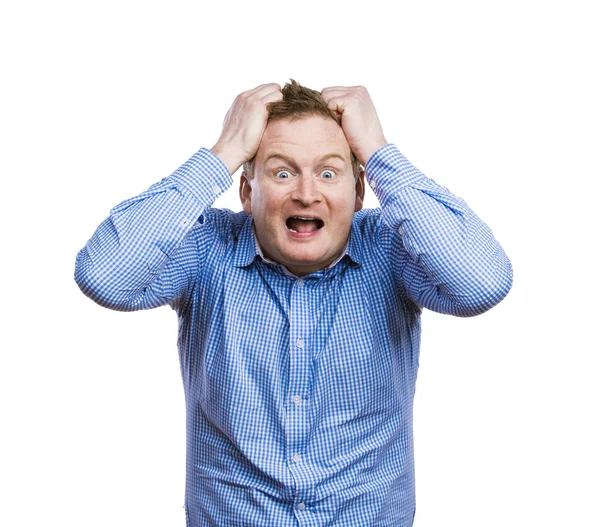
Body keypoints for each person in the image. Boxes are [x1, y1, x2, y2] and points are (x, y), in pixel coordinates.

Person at [74, 79, 513, 526]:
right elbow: (105, 276)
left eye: (328, 172)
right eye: (282, 173)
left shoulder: (391, 245)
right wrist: (221, 154)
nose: (306, 193)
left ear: (359, 193)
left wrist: (379, 153)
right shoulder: (207, 247)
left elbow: (482, 283)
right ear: (247, 193)